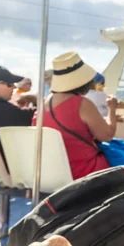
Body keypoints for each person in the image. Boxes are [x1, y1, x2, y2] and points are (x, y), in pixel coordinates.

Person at [36, 52, 118, 180]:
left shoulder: (42, 103)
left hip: (51, 174)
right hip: (86, 173)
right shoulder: (82, 104)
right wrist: (112, 109)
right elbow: (107, 135)